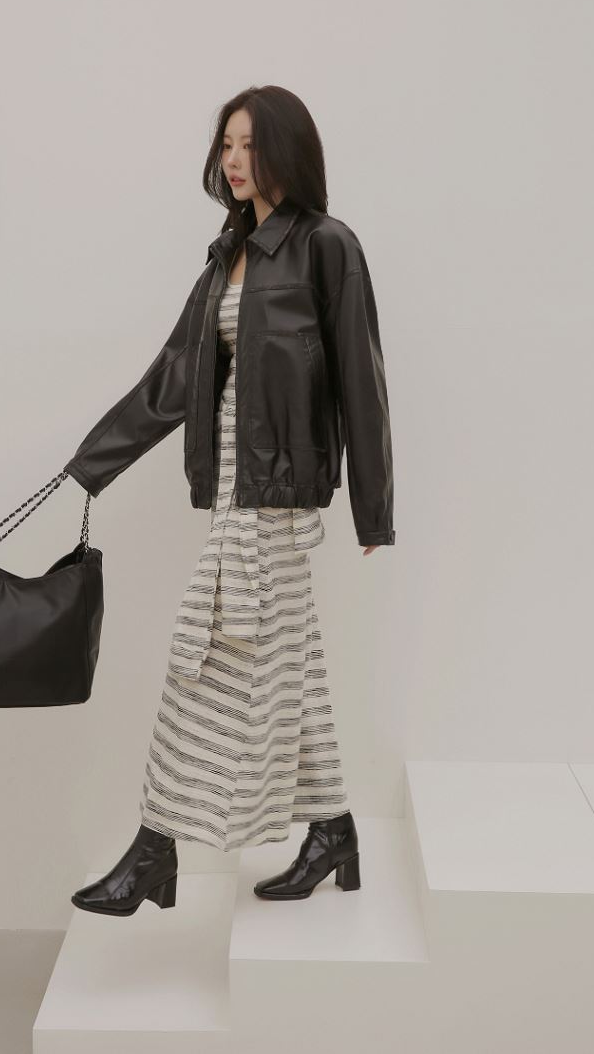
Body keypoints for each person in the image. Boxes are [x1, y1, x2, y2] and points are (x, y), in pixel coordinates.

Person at [64, 85, 395, 916]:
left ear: (286, 148)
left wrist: (374, 506)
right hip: (230, 497)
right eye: (226, 144)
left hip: (273, 502)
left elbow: (362, 378)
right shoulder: (226, 256)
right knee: (290, 661)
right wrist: (88, 466)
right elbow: (173, 377)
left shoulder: (327, 246)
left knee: (204, 659)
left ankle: (153, 850)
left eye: (249, 143)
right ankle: (333, 829)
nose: (234, 159)